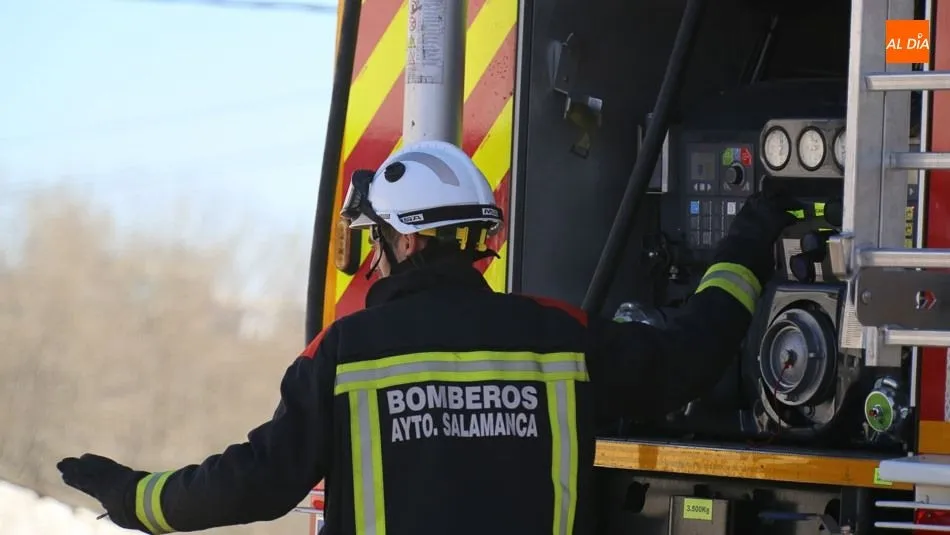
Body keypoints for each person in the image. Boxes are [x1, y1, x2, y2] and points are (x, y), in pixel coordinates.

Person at [57, 140, 800, 535]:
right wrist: (750, 237)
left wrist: (137, 497)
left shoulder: (344, 355)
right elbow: (694, 353)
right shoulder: (559, 338)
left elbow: (255, 482)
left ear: (405, 243)